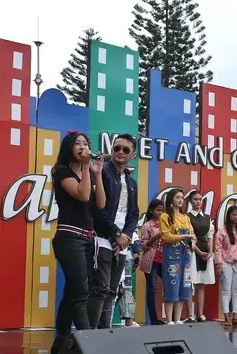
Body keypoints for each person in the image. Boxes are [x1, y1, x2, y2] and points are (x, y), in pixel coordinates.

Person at [50, 131, 106, 354]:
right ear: (69, 147)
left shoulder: (87, 174)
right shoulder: (62, 171)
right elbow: (82, 196)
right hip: (69, 237)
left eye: (86, 143)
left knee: (72, 292)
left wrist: (97, 174)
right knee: (81, 292)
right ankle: (89, 340)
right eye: (78, 143)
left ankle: (61, 339)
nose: (83, 147)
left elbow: (99, 203)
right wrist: (85, 167)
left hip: (87, 238)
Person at [87, 133, 138, 329]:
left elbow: (134, 213)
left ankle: (104, 333)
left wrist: (124, 236)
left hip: (122, 243)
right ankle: (91, 336)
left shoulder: (132, 183)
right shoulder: (102, 173)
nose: (120, 152)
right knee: (100, 289)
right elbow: (97, 209)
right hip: (102, 239)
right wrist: (116, 234)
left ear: (132, 155)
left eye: (125, 150)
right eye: (116, 148)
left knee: (112, 291)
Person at [160, 188, 197, 325]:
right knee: (172, 284)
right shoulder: (165, 216)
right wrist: (185, 236)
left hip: (185, 255)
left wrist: (193, 242)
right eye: (177, 197)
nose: (181, 200)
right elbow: (166, 236)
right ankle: (169, 319)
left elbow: (193, 236)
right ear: (171, 199)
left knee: (184, 285)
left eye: (182, 197)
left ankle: (177, 319)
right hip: (172, 256)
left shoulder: (186, 218)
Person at [215, 206, 237, 326]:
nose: (236, 217)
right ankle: (227, 316)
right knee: (226, 290)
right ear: (228, 215)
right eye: (233, 215)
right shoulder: (222, 230)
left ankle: (236, 316)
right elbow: (218, 249)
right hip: (226, 262)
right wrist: (218, 265)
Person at [187, 191, 215, 322]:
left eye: (200, 199)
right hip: (192, 251)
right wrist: (199, 252)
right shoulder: (187, 217)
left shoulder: (207, 217)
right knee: (191, 283)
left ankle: (200, 313)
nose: (198, 202)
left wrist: (210, 251)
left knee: (202, 284)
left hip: (205, 250)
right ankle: (190, 314)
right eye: (195, 199)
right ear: (190, 201)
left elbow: (210, 235)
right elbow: (189, 237)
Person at [138, 199, 165, 325]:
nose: (160, 213)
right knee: (152, 288)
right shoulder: (147, 226)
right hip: (151, 260)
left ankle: (172, 317)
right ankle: (154, 319)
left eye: (162, 210)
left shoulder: (166, 224)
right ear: (151, 210)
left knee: (171, 284)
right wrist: (153, 238)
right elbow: (143, 246)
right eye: (157, 210)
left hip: (165, 260)